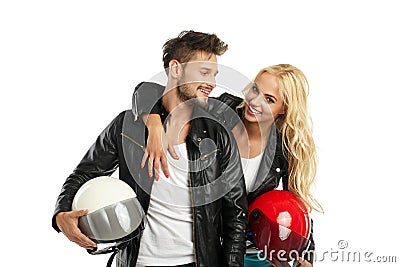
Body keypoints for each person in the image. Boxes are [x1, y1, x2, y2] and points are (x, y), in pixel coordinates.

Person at [52, 30, 248, 267]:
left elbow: (235, 214)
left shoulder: (218, 134)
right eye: (204, 72)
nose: (212, 84)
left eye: (214, 75)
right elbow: (85, 174)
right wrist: (61, 214)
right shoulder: (128, 127)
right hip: (138, 261)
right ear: (176, 69)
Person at [131, 64, 322, 266]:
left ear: (283, 109)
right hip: (210, 247)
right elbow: (147, 90)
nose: (255, 102)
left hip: (257, 252)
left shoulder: (283, 149)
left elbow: (298, 210)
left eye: (269, 99)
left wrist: (304, 259)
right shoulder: (220, 111)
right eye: (255, 89)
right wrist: (153, 124)